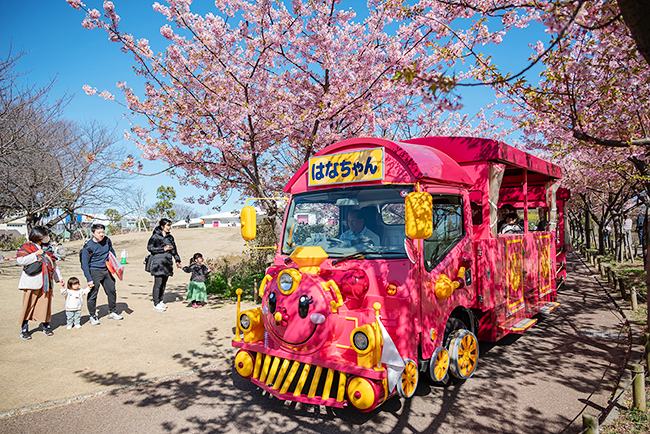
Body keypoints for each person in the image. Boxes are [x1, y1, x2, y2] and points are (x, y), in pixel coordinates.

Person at [16, 226, 65, 340]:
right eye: (45, 235)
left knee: (45, 305)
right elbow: (20, 260)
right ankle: (24, 327)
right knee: (28, 305)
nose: (47, 237)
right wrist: (35, 254)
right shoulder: (27, 246)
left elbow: (54, 264)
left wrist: (59, 278)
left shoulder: (48, 248)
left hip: (46, 282)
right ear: (39, 236)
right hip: (31, 281)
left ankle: (46, 325)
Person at [80, 223, 123, 325]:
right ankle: (93, 316)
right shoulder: (88, 247)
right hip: (94, 271)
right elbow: (84, 265)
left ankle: (112, 311)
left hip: (107, 270)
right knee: (93, 294)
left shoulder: (107, 240)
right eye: (99, 232)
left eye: (103, 232)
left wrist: (115, 266)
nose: (101, 234)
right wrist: (89, 278)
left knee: (111, 290)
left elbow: (112, 253)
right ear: (93, 233)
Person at [147, 218, 182, 312]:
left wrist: (177, 260)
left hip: (167, 263)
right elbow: (150, 248)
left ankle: (161, 301)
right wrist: (163, 249)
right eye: (167, 225)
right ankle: (156, 303)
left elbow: (174, 250)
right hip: (158, 263)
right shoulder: (155, 236)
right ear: (162, 226)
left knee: (163, 283)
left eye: (169, 225)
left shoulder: (170, 237)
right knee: (158, 283)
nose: (169, 227)